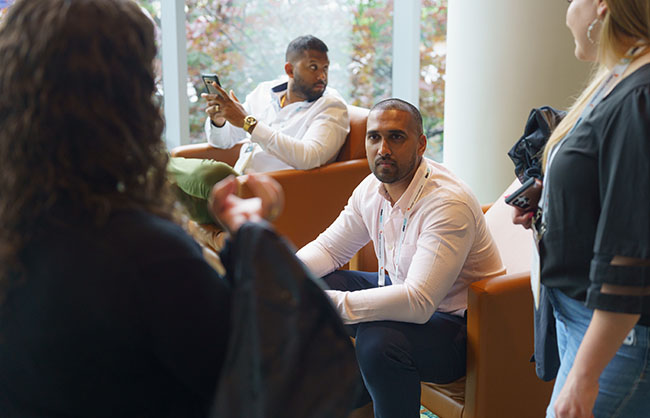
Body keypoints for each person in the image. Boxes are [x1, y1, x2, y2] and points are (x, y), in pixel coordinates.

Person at [0, 1, 231, 416]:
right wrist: (250, 238)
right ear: (128, 99)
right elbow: (270, 382)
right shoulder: (147, 255)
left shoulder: (17, 225)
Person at [296, 98, 505, 418]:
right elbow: (329, 249)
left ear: (420, 144)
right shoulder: (371, 189)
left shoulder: (447, 205)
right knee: (316, 280)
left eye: (396, 137)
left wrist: (327, 304)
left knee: (377, 341)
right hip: (404, 294)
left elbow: (418, 302)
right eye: (374, 137)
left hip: (462, 331)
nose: (382, 148)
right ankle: (348, 401)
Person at [512, 1, 650, 417]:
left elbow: (631, 248)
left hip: (615, 335)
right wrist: (551, 192)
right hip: (581, 316)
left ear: (601, 8)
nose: (568, 11)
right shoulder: (617, 77)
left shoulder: (639, 94)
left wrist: (587, 375)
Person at [168, 35, 350, 224]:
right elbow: (222, 142)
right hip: (240, 187)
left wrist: (249, 124)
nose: (322, 76)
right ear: (289, 69)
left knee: (214, 174)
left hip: (276, 194)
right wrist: (219, 121)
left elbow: (309, 157)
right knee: (171, 189)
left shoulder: (331, 106)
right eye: (313, 67)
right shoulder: (264, 92)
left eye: (325, 68)